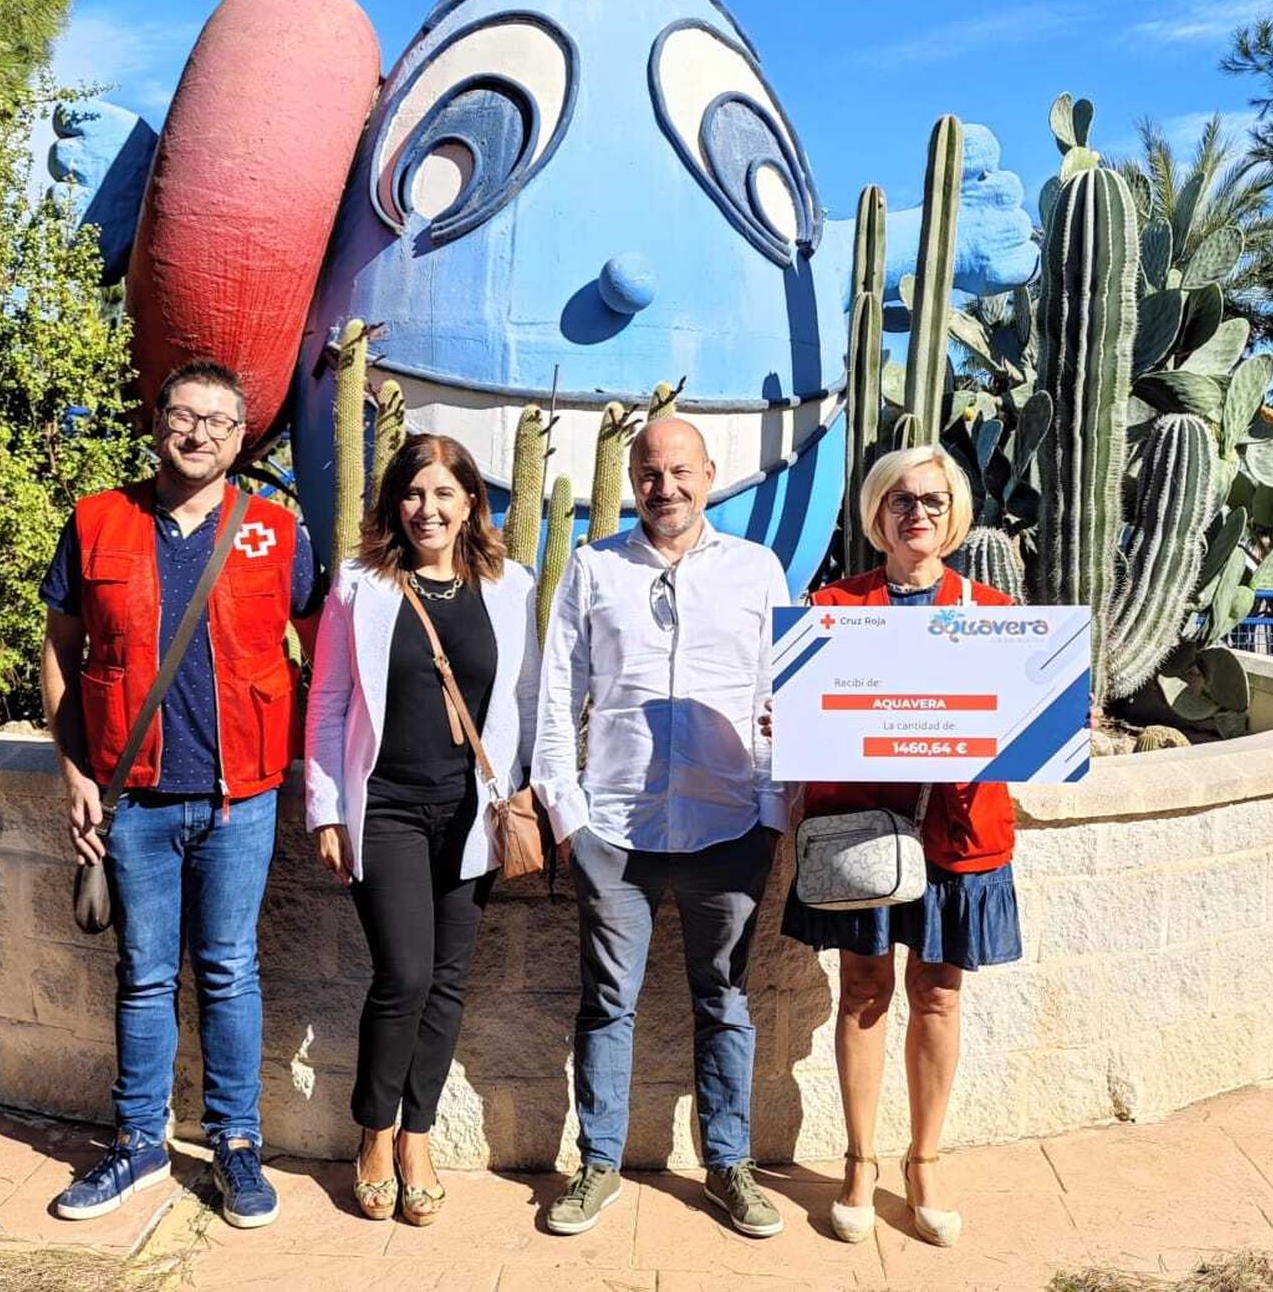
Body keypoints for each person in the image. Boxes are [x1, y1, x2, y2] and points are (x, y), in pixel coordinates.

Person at [41, 360, 322, 1229]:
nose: (197, 433)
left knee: (231, 968)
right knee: (144, 973)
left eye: (218, 421)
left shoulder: (276, 532)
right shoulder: (98, 522)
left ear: (241, 438)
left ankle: (237, 1144)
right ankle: (138, 1142)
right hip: (136, 798)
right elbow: (60, 648)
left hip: (243, 798)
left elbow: (323, 653)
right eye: (183, 415)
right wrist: (77, 771)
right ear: (156, 421)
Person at [532, 417, 789, 1240]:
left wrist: (772, 811)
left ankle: (728, 1162)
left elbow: (777, 693)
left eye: (681, 471)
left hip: (729, 827)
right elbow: (554, 693)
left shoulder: (756, 569)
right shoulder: (593, 565)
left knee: (726, 999)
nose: (665, 486)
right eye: (650, 471)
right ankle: (598, 1161)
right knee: (608, 1002)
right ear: (633, 477)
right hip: (615, 829)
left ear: (710, 474)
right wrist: (567, 815)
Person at [777, 443, 1021, 1250]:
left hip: (958, 832)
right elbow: (810, 720)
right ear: (878, 514)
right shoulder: (833, 607)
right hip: (866, 832)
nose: (918, 512)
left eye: (934, 499)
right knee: (864, 992)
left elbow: (1018, 722)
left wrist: (1058, 719)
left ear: (956, 516)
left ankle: (925, 1162)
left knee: (940, 994)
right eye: (901, 499)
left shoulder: (993, 611)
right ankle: (858, 1163)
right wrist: (789, 719)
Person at [305, 434, 539, 1226]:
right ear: (394, 503)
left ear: (473, 500)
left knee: (447, 981)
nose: (428, 509)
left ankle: (419, 1133)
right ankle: (373, 1130)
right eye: (413, 493)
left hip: (472, 811)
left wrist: (530, 796)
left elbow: (526, 701)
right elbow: (329, 702)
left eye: (445, 493)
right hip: (390, 809)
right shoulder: (361, 585)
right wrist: (327, 807)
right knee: (404, 974)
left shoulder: (510, 587)